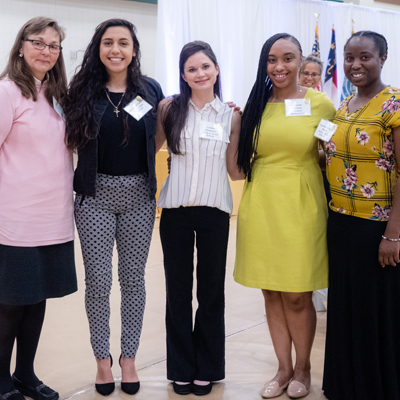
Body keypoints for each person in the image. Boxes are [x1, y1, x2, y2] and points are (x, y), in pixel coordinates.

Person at [63, 19, 164, 396]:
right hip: (94, 197)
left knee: (134, 281)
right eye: (108, 42)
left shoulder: (150, 89)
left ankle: (129, 358)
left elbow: (161, 131)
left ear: (134, 49)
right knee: (99, 283)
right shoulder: (83, 91)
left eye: (123, 43)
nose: (116, 49)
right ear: (98, 48)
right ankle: (102, 361)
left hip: (139, 195)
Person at [234, 33, 336, 399]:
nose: (280, 67)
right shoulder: (255, 106)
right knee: (271, 292)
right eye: (272, 60)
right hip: (261, 202)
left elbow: (332, 156)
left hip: (301, 201)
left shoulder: (321, 104)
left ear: (300, 63)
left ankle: (304, 367)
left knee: (297, 293)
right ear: (265, 64)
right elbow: (238, 166)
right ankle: (283, 368)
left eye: (288, 58)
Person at [155, 40, 241, 396]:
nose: (200, 73)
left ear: (216, 69)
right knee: (177, 292)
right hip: (174, 210)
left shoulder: (232, 115)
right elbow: (150, 148)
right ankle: (181, 367)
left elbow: (235, 170)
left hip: (215, 210)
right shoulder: (168, 109)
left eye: (206, 66)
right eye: (192, 68)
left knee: (210, 293)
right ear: (183, 75)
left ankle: (208, 367)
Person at [0, 17, 77, 400]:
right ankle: (0, 379)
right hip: (15, 218)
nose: (46, 50)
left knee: (38, 300)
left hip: (55, 216)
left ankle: (25, 374)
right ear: (20, 46)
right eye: (38, 42)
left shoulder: (56, 94)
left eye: (53, 45)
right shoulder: (7, 92)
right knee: (11, 302)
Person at [323, 31, 400, 400]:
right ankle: (345, 384)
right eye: (350, 58)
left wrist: (393, 234)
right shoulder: (343, 105)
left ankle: (375, 388)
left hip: (378, 226)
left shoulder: (395, 104)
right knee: (346, 306)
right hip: (340, 222)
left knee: (374, 311)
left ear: (382, 58)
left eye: (365, 57)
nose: (355, 64)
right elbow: (331, 156)